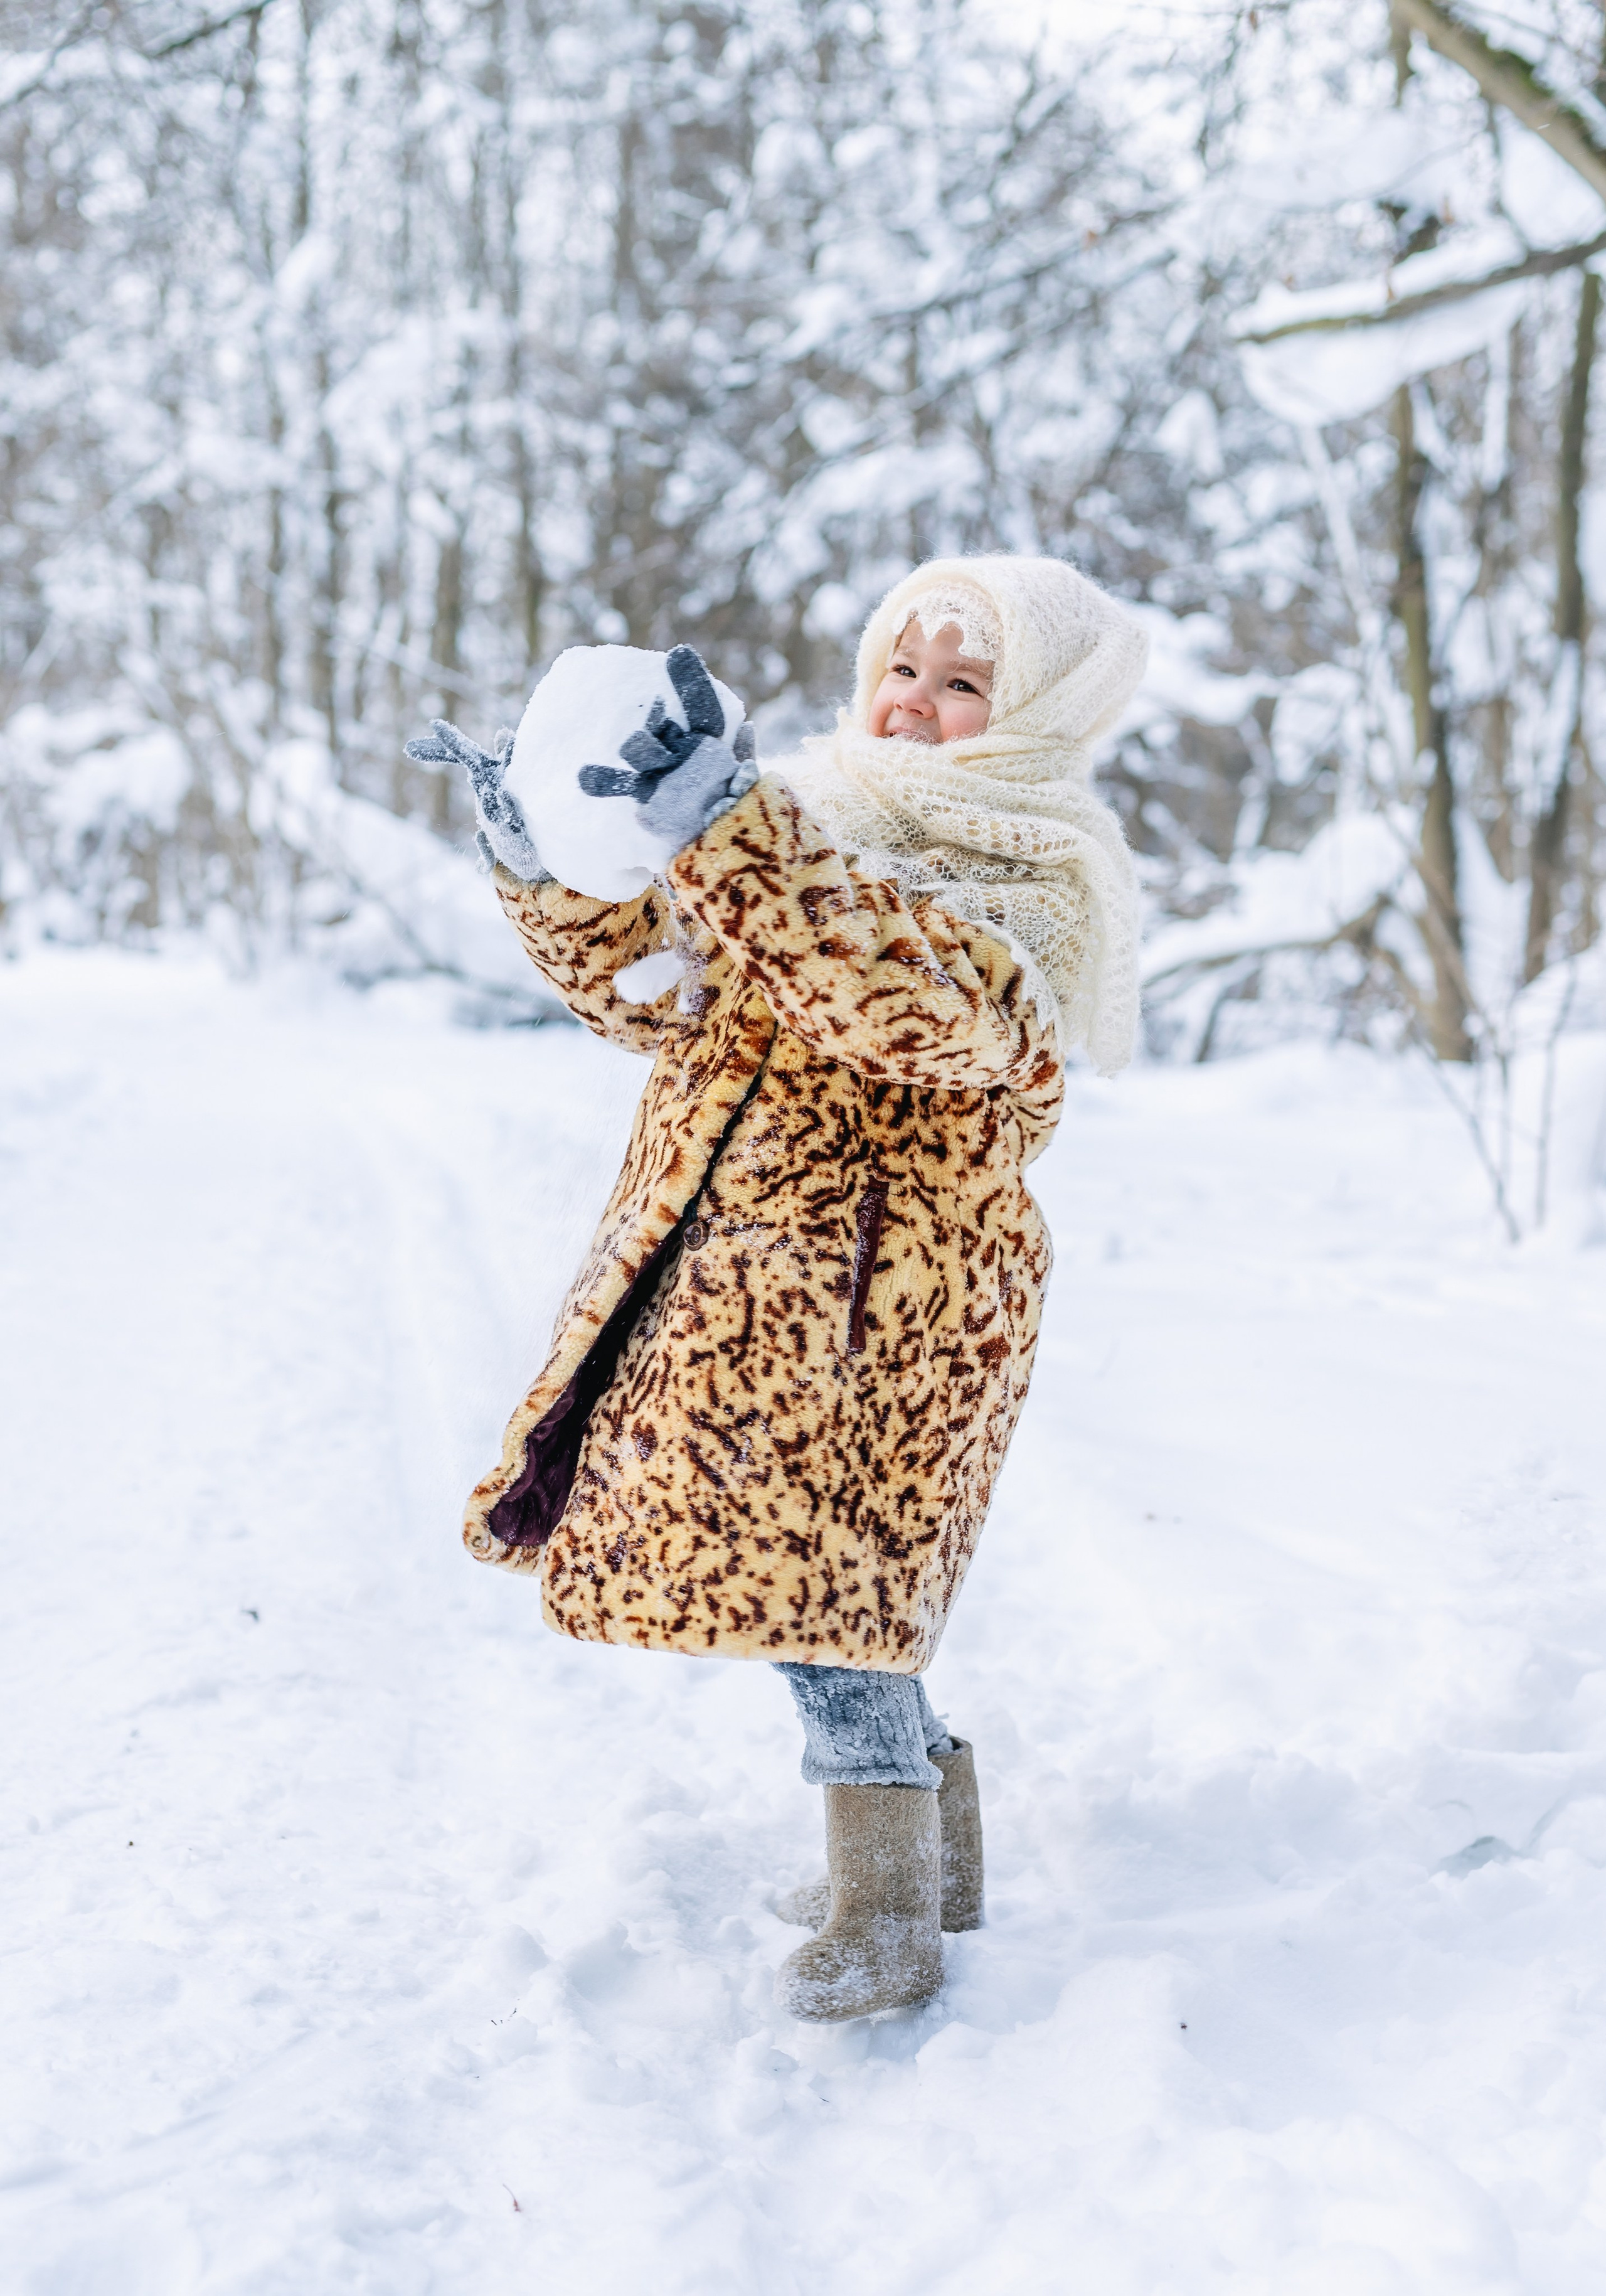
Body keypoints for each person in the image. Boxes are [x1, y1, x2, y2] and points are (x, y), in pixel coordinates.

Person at [406, 555, 1147, 2021]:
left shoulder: (1038, 868)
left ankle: (885, 1916)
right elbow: (659, 995)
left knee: (828, 1595)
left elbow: (903, 997)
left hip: (892, 1301)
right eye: (902, 664)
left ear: (1042, 708)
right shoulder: (804, 817)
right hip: (741, 1282)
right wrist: (546, 863)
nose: (916, 702)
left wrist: (731, 831)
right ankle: (936, 1870)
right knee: (831, 1585)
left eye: (963, 680)